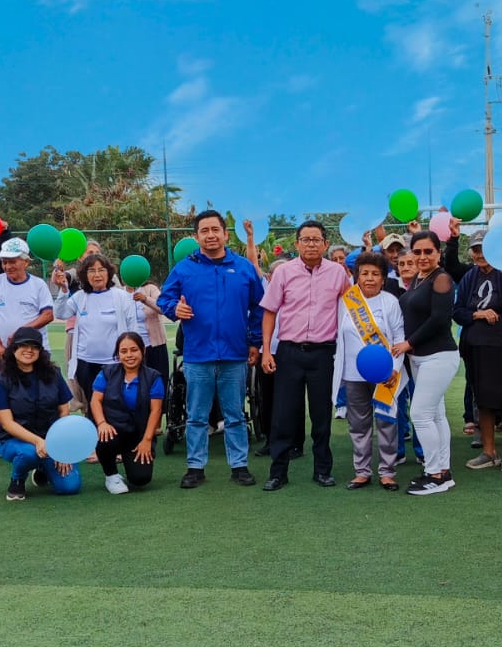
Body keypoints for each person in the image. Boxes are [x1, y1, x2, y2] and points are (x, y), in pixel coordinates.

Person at [157, 210, 265, 489]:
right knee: (196, 416)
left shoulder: (243, 268)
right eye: (204, 231)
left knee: (235, 415)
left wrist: (255, 342)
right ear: (196, 237)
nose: (211, 235)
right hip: (197, 356)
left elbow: (259, 307)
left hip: (235, 355)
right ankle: (195, 467)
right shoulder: (184, 268)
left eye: (215, 230)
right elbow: (165, 300)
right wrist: (175, 308)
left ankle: (239, 466)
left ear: (225, 234)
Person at [258, 220, 350, 490]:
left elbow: (351, 309)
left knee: (321, 414)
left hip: (323, 353)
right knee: (284, 415)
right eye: (306, 239)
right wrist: (267, 350)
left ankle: (322, 470)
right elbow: (270, 312)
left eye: (316, 239)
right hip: (289, 352)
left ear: (325, 244)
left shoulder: (338, 273)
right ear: (297, 243)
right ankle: (278, 472)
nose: (311, 244)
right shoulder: (284, 272)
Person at [455, 231, 502, 472]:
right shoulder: (469, 277)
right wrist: (477, 314)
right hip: (477, 348)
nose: (480, 254)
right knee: (483, 400)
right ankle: (488, 452)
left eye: (484, 249)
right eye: (476, 249)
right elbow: (458, 312)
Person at [394, 231, 459, 495]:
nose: (422, 256)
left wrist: (408, 343)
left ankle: (434, 475)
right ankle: (442, 471)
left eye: (428, 251)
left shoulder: (441, 278)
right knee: (435, 415)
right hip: (420, 359)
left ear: (438, 253)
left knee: (420, 414)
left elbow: (439, 319)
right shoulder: (419, 279)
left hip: (438, 356)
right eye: (417, 251)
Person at [336, 252, 406, 489]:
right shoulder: (347, 301)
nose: (369, 278)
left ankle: (387, 472)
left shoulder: (390, 302)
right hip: (353, 375)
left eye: (375, 274)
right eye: (364, 273)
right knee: (358, 424)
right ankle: (362, 471)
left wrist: (394, 369)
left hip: (385, 374)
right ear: (356, 276)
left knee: (386, 421)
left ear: (383, 278)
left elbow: (399, 338)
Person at [0, 326, 81, 500]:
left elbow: (64, 410)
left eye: (34, 347)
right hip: (13, 440)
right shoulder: (0, 381)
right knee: (29, 453)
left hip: (51, 438)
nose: (29, 350)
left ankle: (42, 468)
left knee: (70, 487)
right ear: (14, 349)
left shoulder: (53, 374)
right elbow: (7, 423)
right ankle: (17, 480)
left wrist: (60, 446)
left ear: (40, 351)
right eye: (24, 345)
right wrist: (38, 441)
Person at [52, 252, 137, 402]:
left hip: (115, 363)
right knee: (92, 404)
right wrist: (64, 290)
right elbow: (60, 313)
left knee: (114, 405)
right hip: (85, 363)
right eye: (91, 271)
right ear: (85, 275)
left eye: (101, 270)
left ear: (108, 273)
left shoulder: (121, 296)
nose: (97, 275)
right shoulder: (80, 297)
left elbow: (133, 329)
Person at [88, 332, 165, 495]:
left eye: (134, 350)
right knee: (105, 437)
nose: (129, 355)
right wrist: (102, 423)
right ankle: (111, 475)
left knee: (140, 478)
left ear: (143, 350)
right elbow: (95, 401)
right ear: (118, 354)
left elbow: (156, 410)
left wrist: (147, 440)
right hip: (112, 431)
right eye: (123, 351)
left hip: (138, 435)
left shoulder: (153, 377)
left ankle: (129, 459)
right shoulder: (107, 373)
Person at [0, 237, 55, 363]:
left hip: (34, 351)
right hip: (3, 352)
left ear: (26, 262)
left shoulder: (38, 284)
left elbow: (48, 315)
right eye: (4, 262)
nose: (7, 266)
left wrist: (20, 333)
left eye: (12, 262)